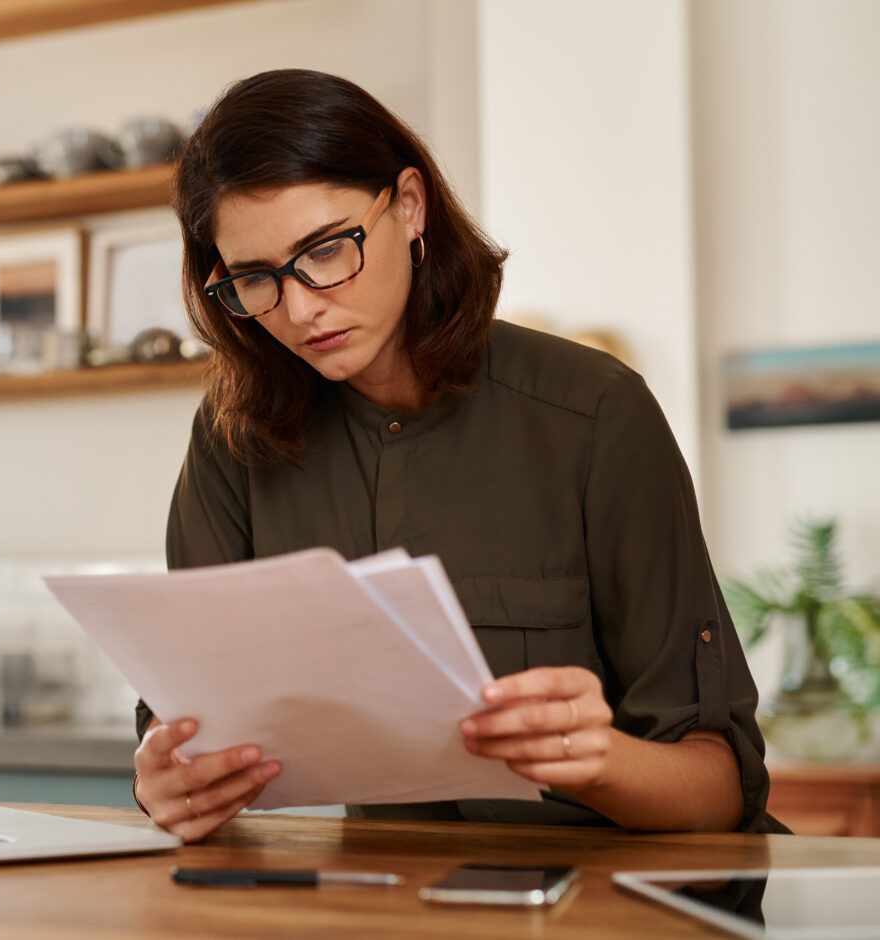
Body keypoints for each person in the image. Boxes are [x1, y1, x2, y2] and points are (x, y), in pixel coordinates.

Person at [131, 68, 782, 843]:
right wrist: (167, 781)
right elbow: (183, 722)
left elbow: (718, 790)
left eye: (328, 251)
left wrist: (593, 759)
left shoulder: (596, 414)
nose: (301, 306)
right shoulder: (233, 437)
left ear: (410, 206)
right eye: (254, 278)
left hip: (608, 905)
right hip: (389, 902)